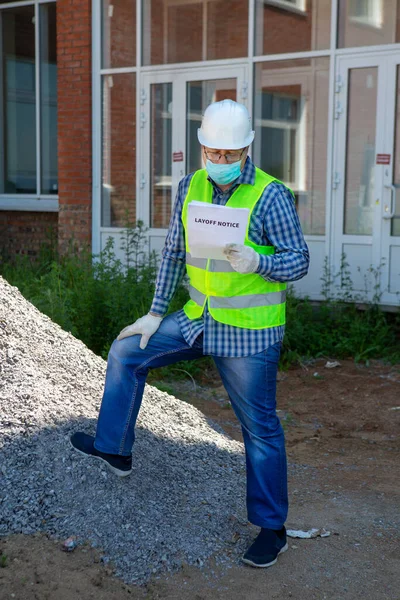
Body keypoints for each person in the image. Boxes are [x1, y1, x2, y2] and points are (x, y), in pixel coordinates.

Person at [71, 99, 309, 568]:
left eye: (229, 154)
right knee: (125, 351)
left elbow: (298, 260)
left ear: (246, 149)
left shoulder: (270, 195)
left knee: (259, 430)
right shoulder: (191, 186)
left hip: (248, 333)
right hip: (197, 319)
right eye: (212, 153)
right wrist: (155, 314)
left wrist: (258, 261)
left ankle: (271, 529)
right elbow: (173, 254)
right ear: (201, 147)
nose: (219, 162)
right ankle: (114, 449)